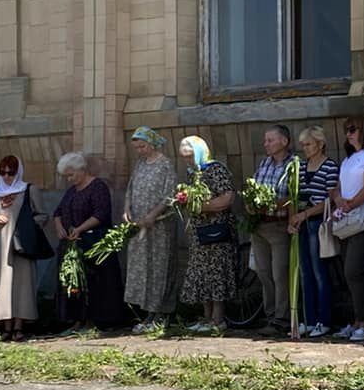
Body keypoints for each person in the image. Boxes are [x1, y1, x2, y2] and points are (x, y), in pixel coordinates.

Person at [51, 152, 127, 334]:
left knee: (94, 283)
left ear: (82, 169)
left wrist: (80, 229)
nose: (69, 179)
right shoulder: (71, 191)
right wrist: (59, 227)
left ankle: (96, 321)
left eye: (72, 174)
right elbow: (58, 212)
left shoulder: (98, 187)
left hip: (94, 243)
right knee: (74, 283)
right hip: (72, 245)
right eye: (66, 176)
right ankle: (77, 321)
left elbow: (100, 214)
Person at [329, 116, 364, 343]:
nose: (349, 133)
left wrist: (350, 204)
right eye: (347, 130)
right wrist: (338, 198)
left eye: (353, 129)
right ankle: (356, 321)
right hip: (347, 219)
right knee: (349, 273)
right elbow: (337, 187)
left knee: (353, 270)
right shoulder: (349, 159)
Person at [122, 128, 184, 332]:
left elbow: (169, 195)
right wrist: (127, 210)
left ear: (153, 144)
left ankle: (161, 314)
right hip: (139, 226)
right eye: (137, 147)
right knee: (143, 269)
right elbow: (131, 189)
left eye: (142, 146)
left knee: (159, 267)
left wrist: (153, 215)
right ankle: (147, 313)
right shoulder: (140, 164)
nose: (139, 151)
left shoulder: (165, 165)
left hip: (159, 226)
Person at [176, 136, 238, 334]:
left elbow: (227, 198)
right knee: (201, 273)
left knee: (217, 271)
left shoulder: (216, 169)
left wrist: (201, 206)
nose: (188, 160)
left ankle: (218, 320)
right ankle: (206, 317)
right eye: (184, 157)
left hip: (217, 229)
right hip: (198, 231)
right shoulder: (192, 173)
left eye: (190, 156)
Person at [0, 156, 39, 341]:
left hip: (22, 245)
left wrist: (27, 226)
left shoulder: (29, 190)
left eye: (10, 172)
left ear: (18, 172)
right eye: (2, 172)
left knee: (23, 283)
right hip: (0, 246)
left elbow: (42, 215)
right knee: (3, 283)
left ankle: (19, 327)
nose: (6, 177)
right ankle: (5, 326)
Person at [244, 126, 297, 332]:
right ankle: (271, 315)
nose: (265, 144)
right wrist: (251, 202)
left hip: (278, 225)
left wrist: (274, 204)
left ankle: (283, 319)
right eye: (265, 140)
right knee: (264, 272)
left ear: (284, 142)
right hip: (259, 225)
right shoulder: (264, 163)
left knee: (280, 273)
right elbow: (254, 188)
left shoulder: (293, 165)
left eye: (270, 140)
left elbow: (294, 196)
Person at [289, 127, 339, 339]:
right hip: (301, 223)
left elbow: (331, 199)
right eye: (303, 145)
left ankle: (324, 320)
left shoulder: (329, 167)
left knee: (320, 273)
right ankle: (308, 320)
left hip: (317, 223)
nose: (305, 148)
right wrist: (293, 217)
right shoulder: (300, 167)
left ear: (320, 144)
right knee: (304, 273)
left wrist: (307, 213)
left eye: (309, 144)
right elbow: (294, 194)